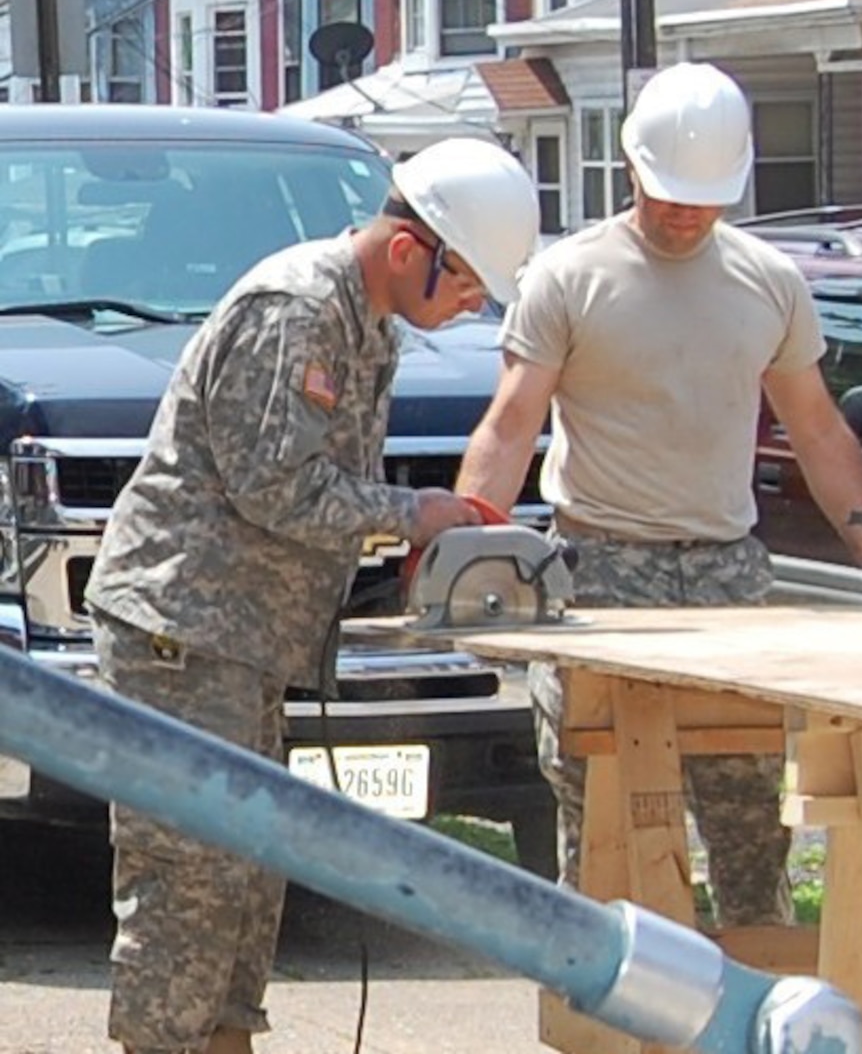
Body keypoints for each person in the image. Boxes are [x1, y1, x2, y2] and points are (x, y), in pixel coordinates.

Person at [455, 62, 862, 927]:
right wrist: (468, 557)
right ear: (632, 166)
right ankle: (605, 1011)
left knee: (749, 813)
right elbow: (510, 425)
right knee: (600, 809)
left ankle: (761, 1000)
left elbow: (818, 429)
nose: (685, 212)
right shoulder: (568, 277)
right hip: (602, 571)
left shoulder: (767, 281)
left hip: (728, 577)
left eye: (705, 197)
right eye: (668, 193)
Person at [84, 137, 540, 1054]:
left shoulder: (362, 320)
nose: (473, 304)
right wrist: (417, 514)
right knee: (190, 874)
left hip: (238, 637)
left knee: (250, 872)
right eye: (465, 283)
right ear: (411, 249)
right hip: (183, 628)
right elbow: (276, 486)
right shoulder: (297, 310)